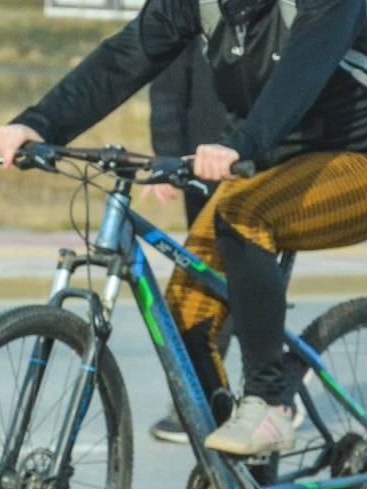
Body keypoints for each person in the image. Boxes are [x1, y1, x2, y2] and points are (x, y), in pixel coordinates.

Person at [0, 0, 367, 489]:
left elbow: (302, 70)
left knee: (242, 218)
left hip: (358, 164)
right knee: (186, 320)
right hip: (259, 171)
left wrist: (246, 144)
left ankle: (272, 403)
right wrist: (40, 122)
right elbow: (127, 55)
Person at [145, 44, 234, 444]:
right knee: (209, 280)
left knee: (238, 277)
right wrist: (167, 155)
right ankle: (207, 394)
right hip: (200, 161)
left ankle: (265, 392)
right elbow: (167, 82)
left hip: (260, 157)